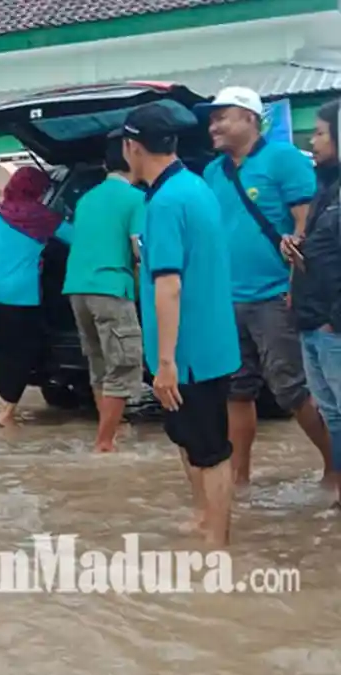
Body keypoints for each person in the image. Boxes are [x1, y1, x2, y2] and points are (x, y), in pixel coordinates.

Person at [200, 86, 333, 489]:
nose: (214, 126)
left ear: (250, 120)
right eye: (211, 119)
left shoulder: (283, 159)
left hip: (275, 294)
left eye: (223, 116)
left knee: (291, 388)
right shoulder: (211, 172)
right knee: (237, 390)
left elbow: (306, 227)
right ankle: (239, 479)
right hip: (227, 299)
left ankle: (334, 466)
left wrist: (299, 285)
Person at [124, 102, 241, 547]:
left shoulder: (168, 201)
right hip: (202, 343)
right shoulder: (192, 187)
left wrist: (167, 362)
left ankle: (218, 538)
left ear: (132, 147)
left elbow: (168, 286)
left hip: (190, 352)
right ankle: (202, 517)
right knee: (187, 438)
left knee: (210, 449)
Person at [62, 131, 146, 453]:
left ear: (102, 164)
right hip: (111, 287)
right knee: (123, 363)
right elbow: (139, 250)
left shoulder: (86, 199)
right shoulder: (137, 199)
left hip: (77, 289)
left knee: (98, 363)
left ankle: (108, 432)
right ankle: (105, 442)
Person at [0, 166, 74, 428]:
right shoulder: (45, 218)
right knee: (22, 353)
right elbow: (77, 238)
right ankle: (6, 412)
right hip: (25, 296)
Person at [291, 99, 341, 505]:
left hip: (331, 325)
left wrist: (332, 320)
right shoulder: (324, 189)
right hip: (311, 320)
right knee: (333, 413)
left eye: (321, 132)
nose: (313, 140)